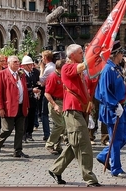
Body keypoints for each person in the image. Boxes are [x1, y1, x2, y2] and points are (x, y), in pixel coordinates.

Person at [48, 44, 101, 187]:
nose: (82, 54)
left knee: (75, 143)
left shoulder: (80, 71)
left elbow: (91, 80)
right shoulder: (67, 67)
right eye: (80, 52)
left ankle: (56, 169)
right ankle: (90, 178)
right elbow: (82, 66)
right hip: (72, 111)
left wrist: (99, 64)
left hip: (81, 111)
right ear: (71, 56)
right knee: (84, 144)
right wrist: (95, 55)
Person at [95, 41, 126, 178]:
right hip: (113, 109)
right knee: (116, 140)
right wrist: (114, 105)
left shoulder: (116, 67)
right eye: (121, 52)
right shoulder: (107, 69)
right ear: (115, 54)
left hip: (121, 108)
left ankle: (103, 155)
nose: (123, 55)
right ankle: (116, 168)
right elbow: (104, 92)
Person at [0, 55, 30, 158]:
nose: (17, 63)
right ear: (8, 63)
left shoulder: (21, 74)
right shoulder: (1, 74)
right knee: (7, 129)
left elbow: (24, 91)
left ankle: (18, 150)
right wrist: (0, 107)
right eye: (15, 62)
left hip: (21, 105)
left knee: (20, 130)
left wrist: (26, 105)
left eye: (18, 62)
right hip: (8, 106)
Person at [44, 59, 66, 154]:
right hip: (56, 102)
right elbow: (47, 93)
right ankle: (50, 144)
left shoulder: (62, 76)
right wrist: (55, 105)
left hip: (63, 102)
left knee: (63, 126)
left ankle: (57, 145)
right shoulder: (53, 77)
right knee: (59, 125)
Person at [20, 55, 41, 143]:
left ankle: (29, 133)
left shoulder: (34, 73)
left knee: (32, 116)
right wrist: (32, 90)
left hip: (33, 98)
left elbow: (36, 82)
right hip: (25, 98)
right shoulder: (21, 74)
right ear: (24, 66)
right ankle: (23, 135)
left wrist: (39, 89)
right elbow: (22, 87)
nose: (31, 66)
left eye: (31, 64)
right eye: (29, 65)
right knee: (25, 117)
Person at [39, 50, 56, 141]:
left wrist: (41, 69)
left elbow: (42, 82)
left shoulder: (48, 68)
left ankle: (47, 134)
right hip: (55, 92)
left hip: (48, 92)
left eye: (42, 57)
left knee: (44, 113)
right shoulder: (54, 66)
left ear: (45, 58)